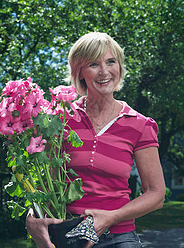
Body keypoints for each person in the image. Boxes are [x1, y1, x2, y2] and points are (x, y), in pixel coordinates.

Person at [26, 32, 166, 247]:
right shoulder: (60, 118)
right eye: (93, 64)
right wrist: (32, 219)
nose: (104, 72)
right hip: (68, 236)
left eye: (111, 62)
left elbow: (156, 194)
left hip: (119, 236)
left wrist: (111, 218)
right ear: (79, 72)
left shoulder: (140, 125)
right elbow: (47, 182)